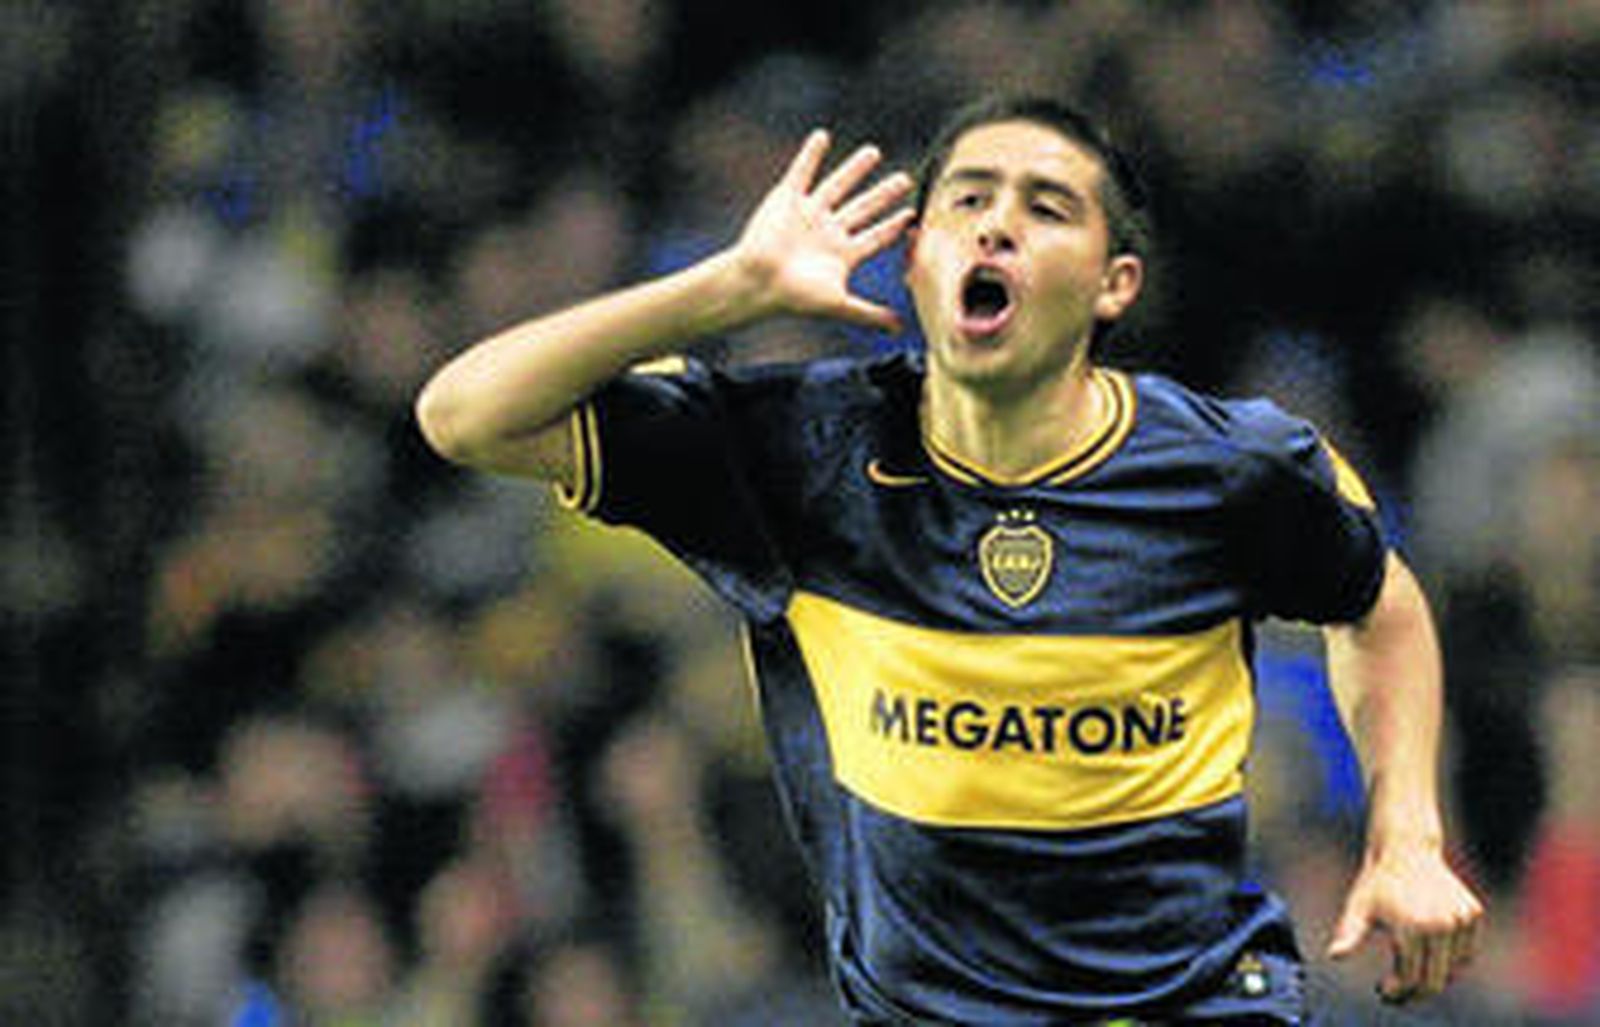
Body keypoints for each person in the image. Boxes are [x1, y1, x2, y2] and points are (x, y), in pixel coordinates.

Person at [414, 95, 1483, 1025]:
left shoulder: (1232, 468)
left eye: (1045, 208)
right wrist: (729, 287)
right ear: (916, 254)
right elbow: (465, 414)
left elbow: (1378, 606)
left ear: (1114, 285)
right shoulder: (799, 449)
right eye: (968, 202)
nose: (999, 228)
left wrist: (1407, 836)